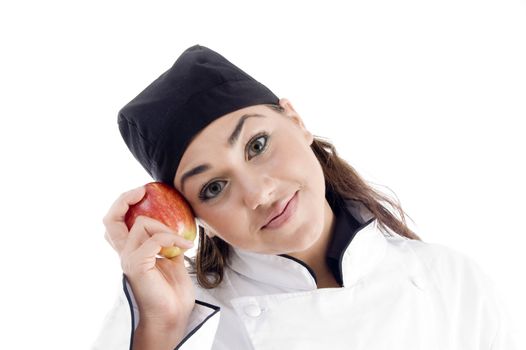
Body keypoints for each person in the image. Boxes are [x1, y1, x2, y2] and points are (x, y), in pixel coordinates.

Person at [94, 45, 515, 350]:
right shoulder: (188, 324)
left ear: (295, 121)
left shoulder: (450, 282)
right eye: (214, 188)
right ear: (193, 216)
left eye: (257, 145)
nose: (259, 193)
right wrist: (159, 327)